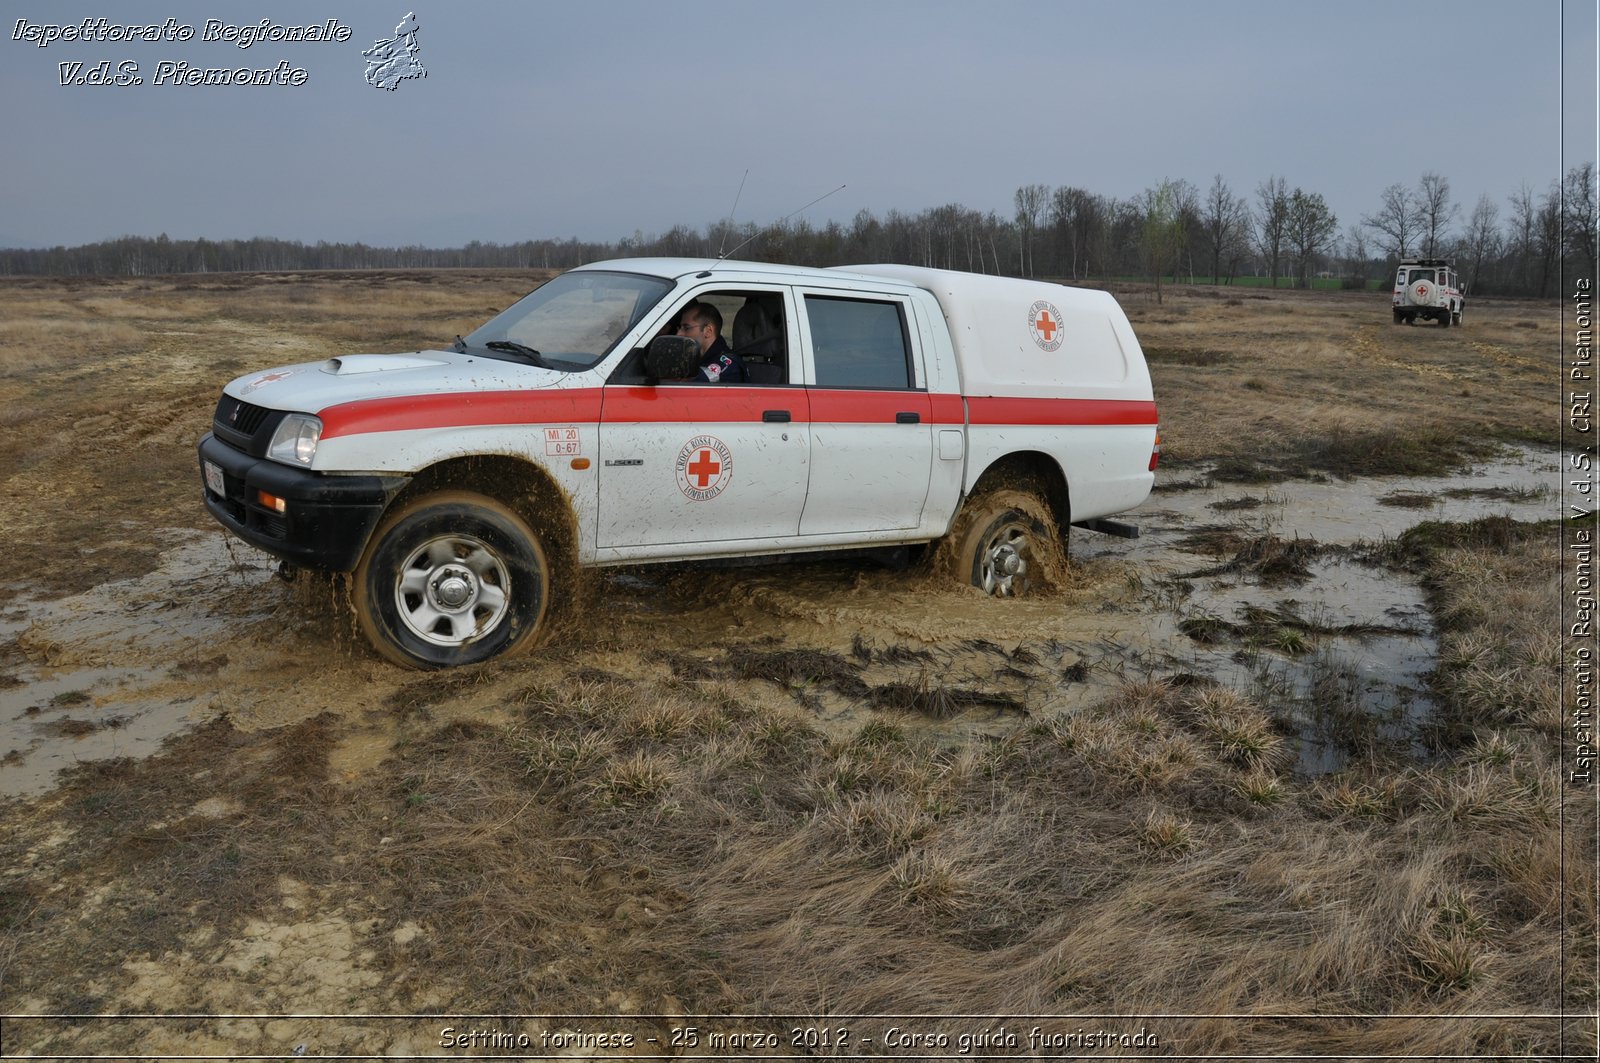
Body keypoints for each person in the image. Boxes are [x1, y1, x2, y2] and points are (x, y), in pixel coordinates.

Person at [676, 301, 748, 383]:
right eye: (679, 328)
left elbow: (692, 383)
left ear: (708, 331)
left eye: (686, 328)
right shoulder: (694, 359)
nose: (678, 334)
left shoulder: (729, 365)